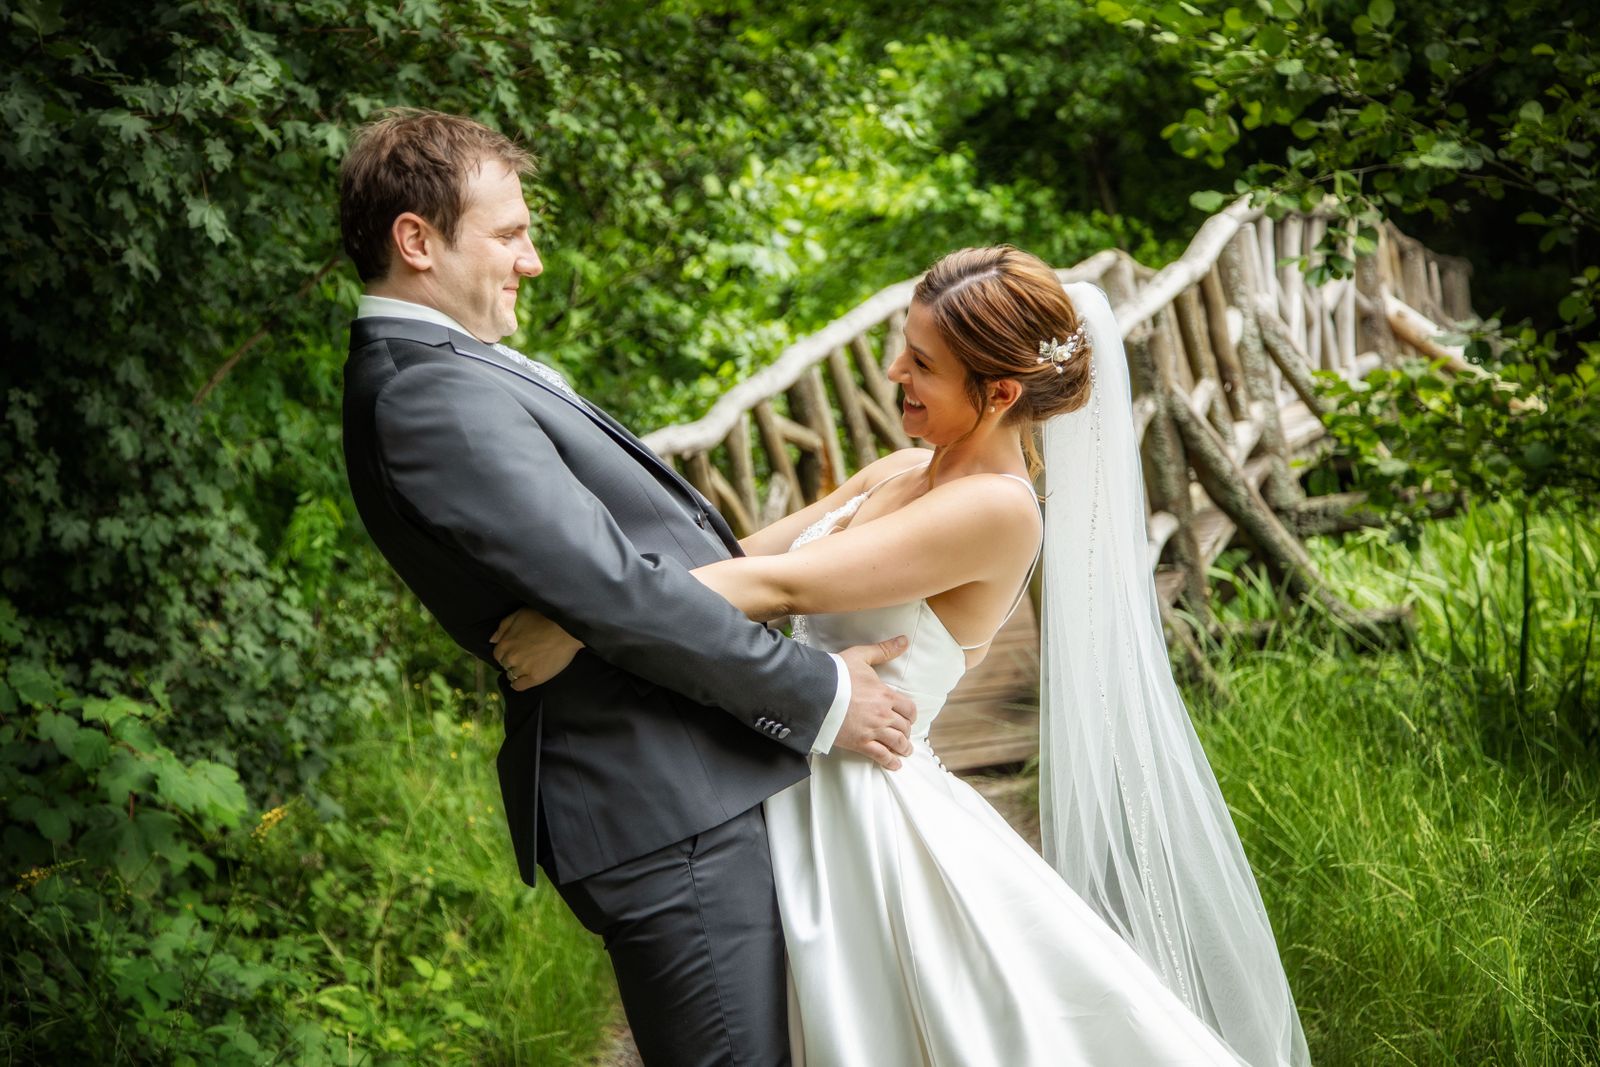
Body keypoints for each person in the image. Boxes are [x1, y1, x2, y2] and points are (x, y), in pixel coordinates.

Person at [495, 247, 1312, 1065]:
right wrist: (597, 592)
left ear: (999, 393)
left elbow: (779, 585)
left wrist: (582, 622)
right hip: (790, 763)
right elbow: (736, 552)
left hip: (862, 812)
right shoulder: (902, 469)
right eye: (902, 348)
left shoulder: (997, 510)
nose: (895, 373)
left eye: (922, 363)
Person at [337, 108, 922, 1067]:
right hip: (659, 804)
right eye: (511, 234)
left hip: (683, 779)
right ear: (416, 241)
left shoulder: (452, 369)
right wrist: (819, 695)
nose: (531, 261)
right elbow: (617, 588)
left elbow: (614, 576)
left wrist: (584, 615)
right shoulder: (425, 393)